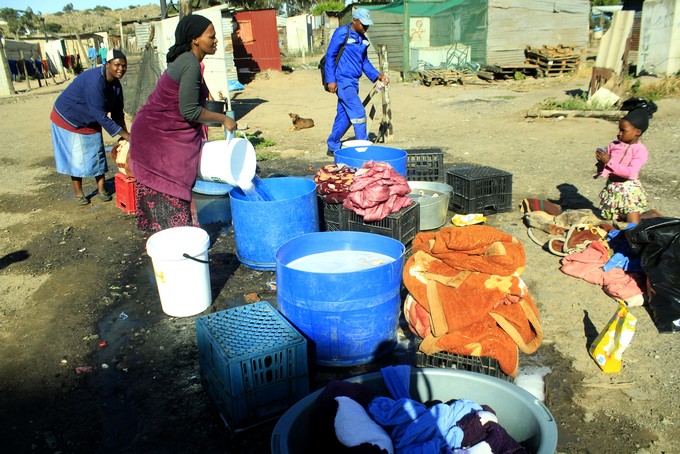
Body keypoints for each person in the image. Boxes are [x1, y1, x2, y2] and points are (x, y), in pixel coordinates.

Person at [129, 14, 237, 232]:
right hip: (156, 138)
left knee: (174, 202)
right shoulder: (190, 64)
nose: (216, 40)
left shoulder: (190, 62)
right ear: (195, 39)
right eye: (212, 36)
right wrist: (224, 119)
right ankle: (176, 251)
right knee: (170, 194)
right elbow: (189, 111)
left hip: (161, 135)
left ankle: (176, 251)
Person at [51, 49, 130, 206]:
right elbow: (101, 116)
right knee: (75, 157)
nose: (121, 69)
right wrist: (127, 136)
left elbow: (117, 112)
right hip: (69, 118)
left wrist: (124, 135)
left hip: (90, 118)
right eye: (117, 65)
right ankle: (79, 193)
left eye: (124, 66)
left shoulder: (116, 85)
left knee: (97, 152)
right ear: (107, 64)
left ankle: (101, 189)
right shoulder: (95, 82)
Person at [324, 8, 389, 157]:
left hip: (353, 82)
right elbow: (330, 56)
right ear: (355, 21)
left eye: (368, 25)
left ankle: (333, 145)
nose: (366, 28)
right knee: (359, 113)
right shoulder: (342, 33)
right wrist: (331, 80)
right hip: (342, 81)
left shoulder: (363, 40)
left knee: (345, 117)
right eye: (363, 24)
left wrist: (378, 75)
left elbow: (364, 62)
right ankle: (363, 151)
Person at [594, 108, 650, 224]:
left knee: (632, 224)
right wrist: (601, 162)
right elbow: (605, 169)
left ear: (637, 132)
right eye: (619, 130)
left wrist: (608, 161)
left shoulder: (640, 150)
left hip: (629, 190)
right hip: (613, 188)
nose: (619, 133)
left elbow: (630, 172)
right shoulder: (614, 145)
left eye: (623, 130)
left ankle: (649, 218)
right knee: (613, 221)